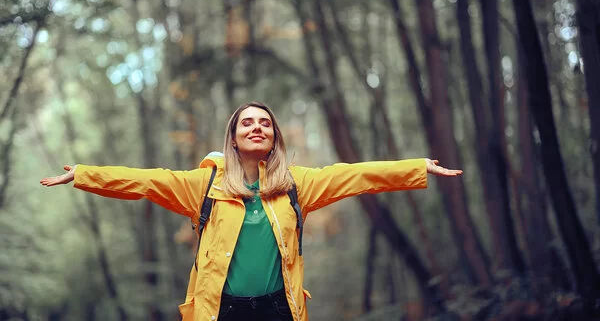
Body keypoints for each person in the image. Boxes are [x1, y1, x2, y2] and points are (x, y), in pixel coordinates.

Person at [40, 101, 462, 321]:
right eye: (247, 123)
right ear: (234, 138)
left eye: (264, 123)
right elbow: (144, 181)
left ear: (274, 136)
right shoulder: (202, 186)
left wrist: (415, 167)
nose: (256, 127)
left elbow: (358, 175)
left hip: (279, 308)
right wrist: (83, 174)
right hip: (222, 310)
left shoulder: (298, 185)